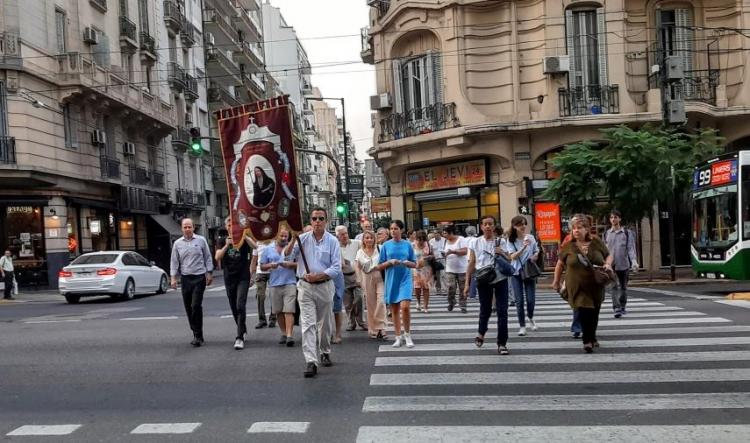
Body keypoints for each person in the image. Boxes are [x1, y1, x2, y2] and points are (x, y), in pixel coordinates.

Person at [285, 207, 341, 378]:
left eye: (321, 218)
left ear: (326, 221)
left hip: (324, 285)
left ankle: (324, 350)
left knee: (324, 325)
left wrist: (319, 275)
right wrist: (293, 239)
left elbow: (336, 267)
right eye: (315, 218)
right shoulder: (301, 239)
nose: (317, 222)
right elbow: (287, 256)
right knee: (308, 324)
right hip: (305, 287)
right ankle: (311, 360)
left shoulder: (332, 241)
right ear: (310, 221)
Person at [552, 214, 613, 353]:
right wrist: (556, 281)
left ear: (587, 229)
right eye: (574, 228)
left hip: (595, 285)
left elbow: (608, 255)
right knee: (584, 310)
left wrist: (608, 264)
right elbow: (560, 264)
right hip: (577, 286)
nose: (576, 231)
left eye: (579, 228)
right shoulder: (568, 245)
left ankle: (592, 336)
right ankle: (587, 341)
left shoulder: (596, 242)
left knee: (594, 312)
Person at [465, 216, 510, 355]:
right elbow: (471, 262)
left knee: (502, 311)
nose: (488, 226)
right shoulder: (475, 242)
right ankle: (481, 333)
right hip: (483, 279)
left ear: (494, 226)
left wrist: (501, 252)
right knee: (485, 309)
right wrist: (467, 283)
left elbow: (509, 258)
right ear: (482, 226)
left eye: (490, 224)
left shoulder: (501, 241)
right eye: (485, 224)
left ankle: (502, 343)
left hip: (500, 278)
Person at [170, 218, 213, 347]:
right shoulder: (177, 243)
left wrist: (209, 273)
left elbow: (208, 257)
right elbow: (174, 261)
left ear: (193, 227)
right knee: (188, 307)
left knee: (196, 305)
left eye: (189, 227)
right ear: (182, 229)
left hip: (199, 277)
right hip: (185, 278)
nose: (187, 229)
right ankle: (195, 332)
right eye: (185, 227)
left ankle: (198, 335)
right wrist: (173, 277)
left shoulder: (201, 240)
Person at [214, 217, 255, 350]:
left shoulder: (243, 237)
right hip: (229, 277)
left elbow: (255, 246)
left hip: (243, 276)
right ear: (226, 226)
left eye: (234, 223)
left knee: (240, 305)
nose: (231, 226)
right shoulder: (221, 240)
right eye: (229, 224)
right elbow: (217, 257)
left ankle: (239, 337)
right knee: (233, 306)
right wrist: (227, 245)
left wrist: (244, 235)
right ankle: (242, 328)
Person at [378, 220, 417, 348]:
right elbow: (380, 265)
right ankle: (398, 336)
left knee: (405, 307)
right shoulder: (385, 245)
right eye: (391, 228)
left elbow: (414, 263)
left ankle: (407, 335)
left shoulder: (407, 245)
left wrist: (406, 262)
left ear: (401, 230)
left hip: (405, 278)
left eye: (396, 228)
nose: (393, 231)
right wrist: (390, 262)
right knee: (394, 309)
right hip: (392, 279)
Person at [261, 228, 298, 347]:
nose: (283, 238)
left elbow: (299, 264)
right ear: (276, 236)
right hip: (274, 283)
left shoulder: (293, 248)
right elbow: (262, 266)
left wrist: (289, 265)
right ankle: (283, 332)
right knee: (279, 311)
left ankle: (289, 335)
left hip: (290, 282)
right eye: (281, 236)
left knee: (289, 310)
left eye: (285, 236)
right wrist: (270, 265)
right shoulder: (267, 249)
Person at [505, 215, 539, 336]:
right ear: (514, 226)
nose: (523, 226)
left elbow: (536, 250)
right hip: (516, 273)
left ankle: (530, 317)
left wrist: (535, 256)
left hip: (529, 271)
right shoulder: (510, 240)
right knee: (519, 301)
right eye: (520, 224)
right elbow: (512, 257)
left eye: (524, 224)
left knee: (531, 300)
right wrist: (524, 247)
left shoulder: (531, 237)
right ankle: (522, 326)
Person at [603, 209, 639, 318]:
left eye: (615, 217)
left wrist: (634, 261)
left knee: (623, 287)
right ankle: (616, 307)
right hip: (611, 265)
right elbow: (604, 250)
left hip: (623, 264)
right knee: (613, 286)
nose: (613, 219)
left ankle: (622, 305)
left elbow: (631, 249)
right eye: (612, 217)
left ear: (620, 219)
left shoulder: (627, 233)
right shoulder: (606, 234)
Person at [356, 230, 387, 339]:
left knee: (381, 301)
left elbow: (385, 262)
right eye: (367, 238)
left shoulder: (380, 248)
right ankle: (374, 329)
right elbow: (358, 266)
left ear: (374, 239)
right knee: (371, 304)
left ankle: (381, 327)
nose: (369, 240)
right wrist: (358, 279)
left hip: (380, 277)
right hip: (366, 278)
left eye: (371, 237)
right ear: (363, 240)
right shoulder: (360, 252)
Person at [336, 226, 366, 331]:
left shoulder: (357, 243)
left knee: (359, 298)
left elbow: (364, 254)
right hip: (343, 276)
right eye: (342, 234)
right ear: (337, 236)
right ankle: (351, 322)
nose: (344, 236)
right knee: (347, 302)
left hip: (357, 275)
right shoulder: (335, 246)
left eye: (345, 233)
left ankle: (361, 321)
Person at [250, 240, 276, 329]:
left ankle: (273, 318)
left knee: (273, 295)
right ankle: (262, 320)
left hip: (273, 272)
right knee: (260, 296)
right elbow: (254, 260)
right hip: (260, 272)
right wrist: (252, 276)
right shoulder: (256, 243)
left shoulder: (275, 242)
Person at [443, 225, 469, 313]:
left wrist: (453, 252)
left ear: (451, 233)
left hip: (462, 268)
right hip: (450, 268)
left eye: (445, 233)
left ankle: (463, 305)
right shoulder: (445, 241)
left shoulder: (461, 239)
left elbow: (465, 251)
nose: (444, 235)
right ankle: (452, 302)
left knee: (462, 288)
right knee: (451, 287)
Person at [412, 230, 433, 313]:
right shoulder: (412, 245)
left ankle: (426, 306)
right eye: (419, 239)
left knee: (426, 288)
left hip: (426, 269)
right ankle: (418, 301)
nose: (420, 241)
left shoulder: (428, 245)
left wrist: (428, 257)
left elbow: (433, 255)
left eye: (422, 239)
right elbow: (409, 256)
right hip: (416, 269)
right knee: (417, 288)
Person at [429, 229, 447, 295]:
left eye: (437, 233)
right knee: (437, 275)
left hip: (442, 259)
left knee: (443, 274)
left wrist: (444, 252)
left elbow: (446, 248)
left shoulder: (444, 240)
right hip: (435, 260)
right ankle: (438, 289)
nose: (435, 234)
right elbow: (430, 250)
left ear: (440, 234)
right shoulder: (431, 241)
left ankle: (445, 289)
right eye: (434, 233)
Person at [465, 226, 479, 299]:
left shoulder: (464, 240)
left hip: (465, 259)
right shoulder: (477, 240)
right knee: (473, 276)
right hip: (473, 258)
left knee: (467, 276)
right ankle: (472, 293)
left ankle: (466, 292)